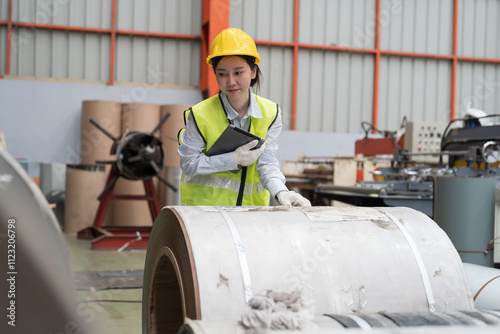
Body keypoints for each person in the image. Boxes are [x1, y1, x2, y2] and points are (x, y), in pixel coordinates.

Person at [177, 27, 310, 207]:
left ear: (253, 71)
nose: (230, 81)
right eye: (222, 74)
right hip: (206, 214)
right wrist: (233, 159)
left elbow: (267, 163)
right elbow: (189, 164)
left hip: (251, 215)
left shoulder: (271, 113)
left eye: (238, 72)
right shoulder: (200, 115)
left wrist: (282, 192)